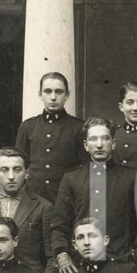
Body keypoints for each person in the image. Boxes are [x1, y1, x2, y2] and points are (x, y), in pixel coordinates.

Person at [51, 117, 137, 273]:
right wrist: (62, 255)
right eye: (93, 139)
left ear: (113, 143)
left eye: (105, 138)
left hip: (120, 264)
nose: (99, 145)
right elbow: (59, 224)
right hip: (80, 266)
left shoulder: (131, 177)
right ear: (86, 145)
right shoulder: (71, 179)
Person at [15, 71, 85, 203]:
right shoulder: (27, 127)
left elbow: (85, 169)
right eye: (48, 91)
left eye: (59, 92)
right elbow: (19, 165)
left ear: (67, 95)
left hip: (66, 199)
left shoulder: (78, 128)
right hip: (33, 200)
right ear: (40, 94)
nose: (53, 97)